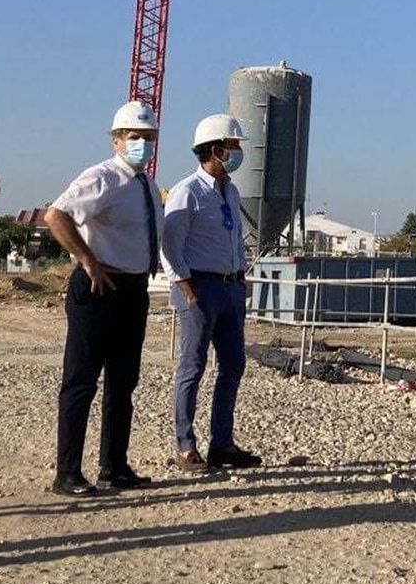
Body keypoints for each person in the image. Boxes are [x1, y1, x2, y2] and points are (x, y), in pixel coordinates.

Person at [44, 100, 164, 497]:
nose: (142, 144)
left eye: (148, 137)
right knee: (81, 381)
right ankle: (68, 472)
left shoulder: (145, 184)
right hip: (98, 290)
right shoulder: (102, 178)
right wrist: (88, 260)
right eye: (135, 137)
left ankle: (114, 466)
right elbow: (56, 215)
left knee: (122, 382)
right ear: (117, 141)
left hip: (133, 291)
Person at [162, 114, 262, 472]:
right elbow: (170, 244)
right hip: (199, 287)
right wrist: (185, 285)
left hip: (230, 287)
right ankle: (185, 445)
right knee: (193, 365)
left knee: (233, 364)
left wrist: (241, 277)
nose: (237, 153)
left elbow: (234, 237)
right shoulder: (186, 191)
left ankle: (222, 443)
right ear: (216, 149)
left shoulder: (230, 192)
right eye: (233, 147)